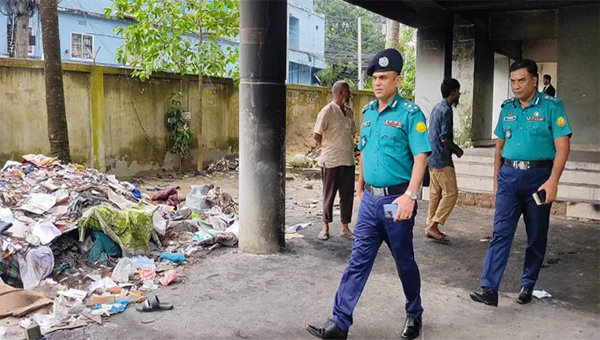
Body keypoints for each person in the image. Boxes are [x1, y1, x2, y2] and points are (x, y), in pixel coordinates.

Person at [306, 49, 431, 340]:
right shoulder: (368, 113)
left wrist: (411, 197)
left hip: (396, 202)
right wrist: (361, 186)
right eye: (375, 78)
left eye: (384, 78)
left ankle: (414, 313)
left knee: (404, 261)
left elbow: (422, 156)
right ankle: (340, 322)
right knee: (357, 261)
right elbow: (364, 151)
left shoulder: (410, 114)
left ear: (397, 80)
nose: (377, 83)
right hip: (371, 202)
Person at [470, 59, 571, 307]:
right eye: (513, 81)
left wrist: (553, 181)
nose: (516, 86)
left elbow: (562, 146)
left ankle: (528, 284)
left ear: (534, 81)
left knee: (536, 235)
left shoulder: (552, 107)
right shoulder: (508, 109)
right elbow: (499, 147)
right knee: (501, 232)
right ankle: (489, 288)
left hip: (539, 179)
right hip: (509, 178)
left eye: (521, 80)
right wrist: (496, 181)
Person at [313, 81, 357, 241]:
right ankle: (325, 227)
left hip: (348, 159)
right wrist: (323, 147)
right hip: (331, 160)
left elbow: (353, 132)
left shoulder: (349, 111)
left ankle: (345, 227)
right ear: (340, 93)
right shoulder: (327, 111)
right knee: (329, 195)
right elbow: (316, 134)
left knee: (347, 196)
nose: (350, 95)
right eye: (347, 92)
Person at [426, 78, 464, 244]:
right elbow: (444, 139)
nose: (459, 94)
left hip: (431, 157)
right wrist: (457, 149)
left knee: (436, 193)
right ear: (453, 92)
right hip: (442, 158)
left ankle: (430, 224)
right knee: (451, 193)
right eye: (458, 91)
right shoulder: (446, 110)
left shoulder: (436, 107)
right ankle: (434, 225)